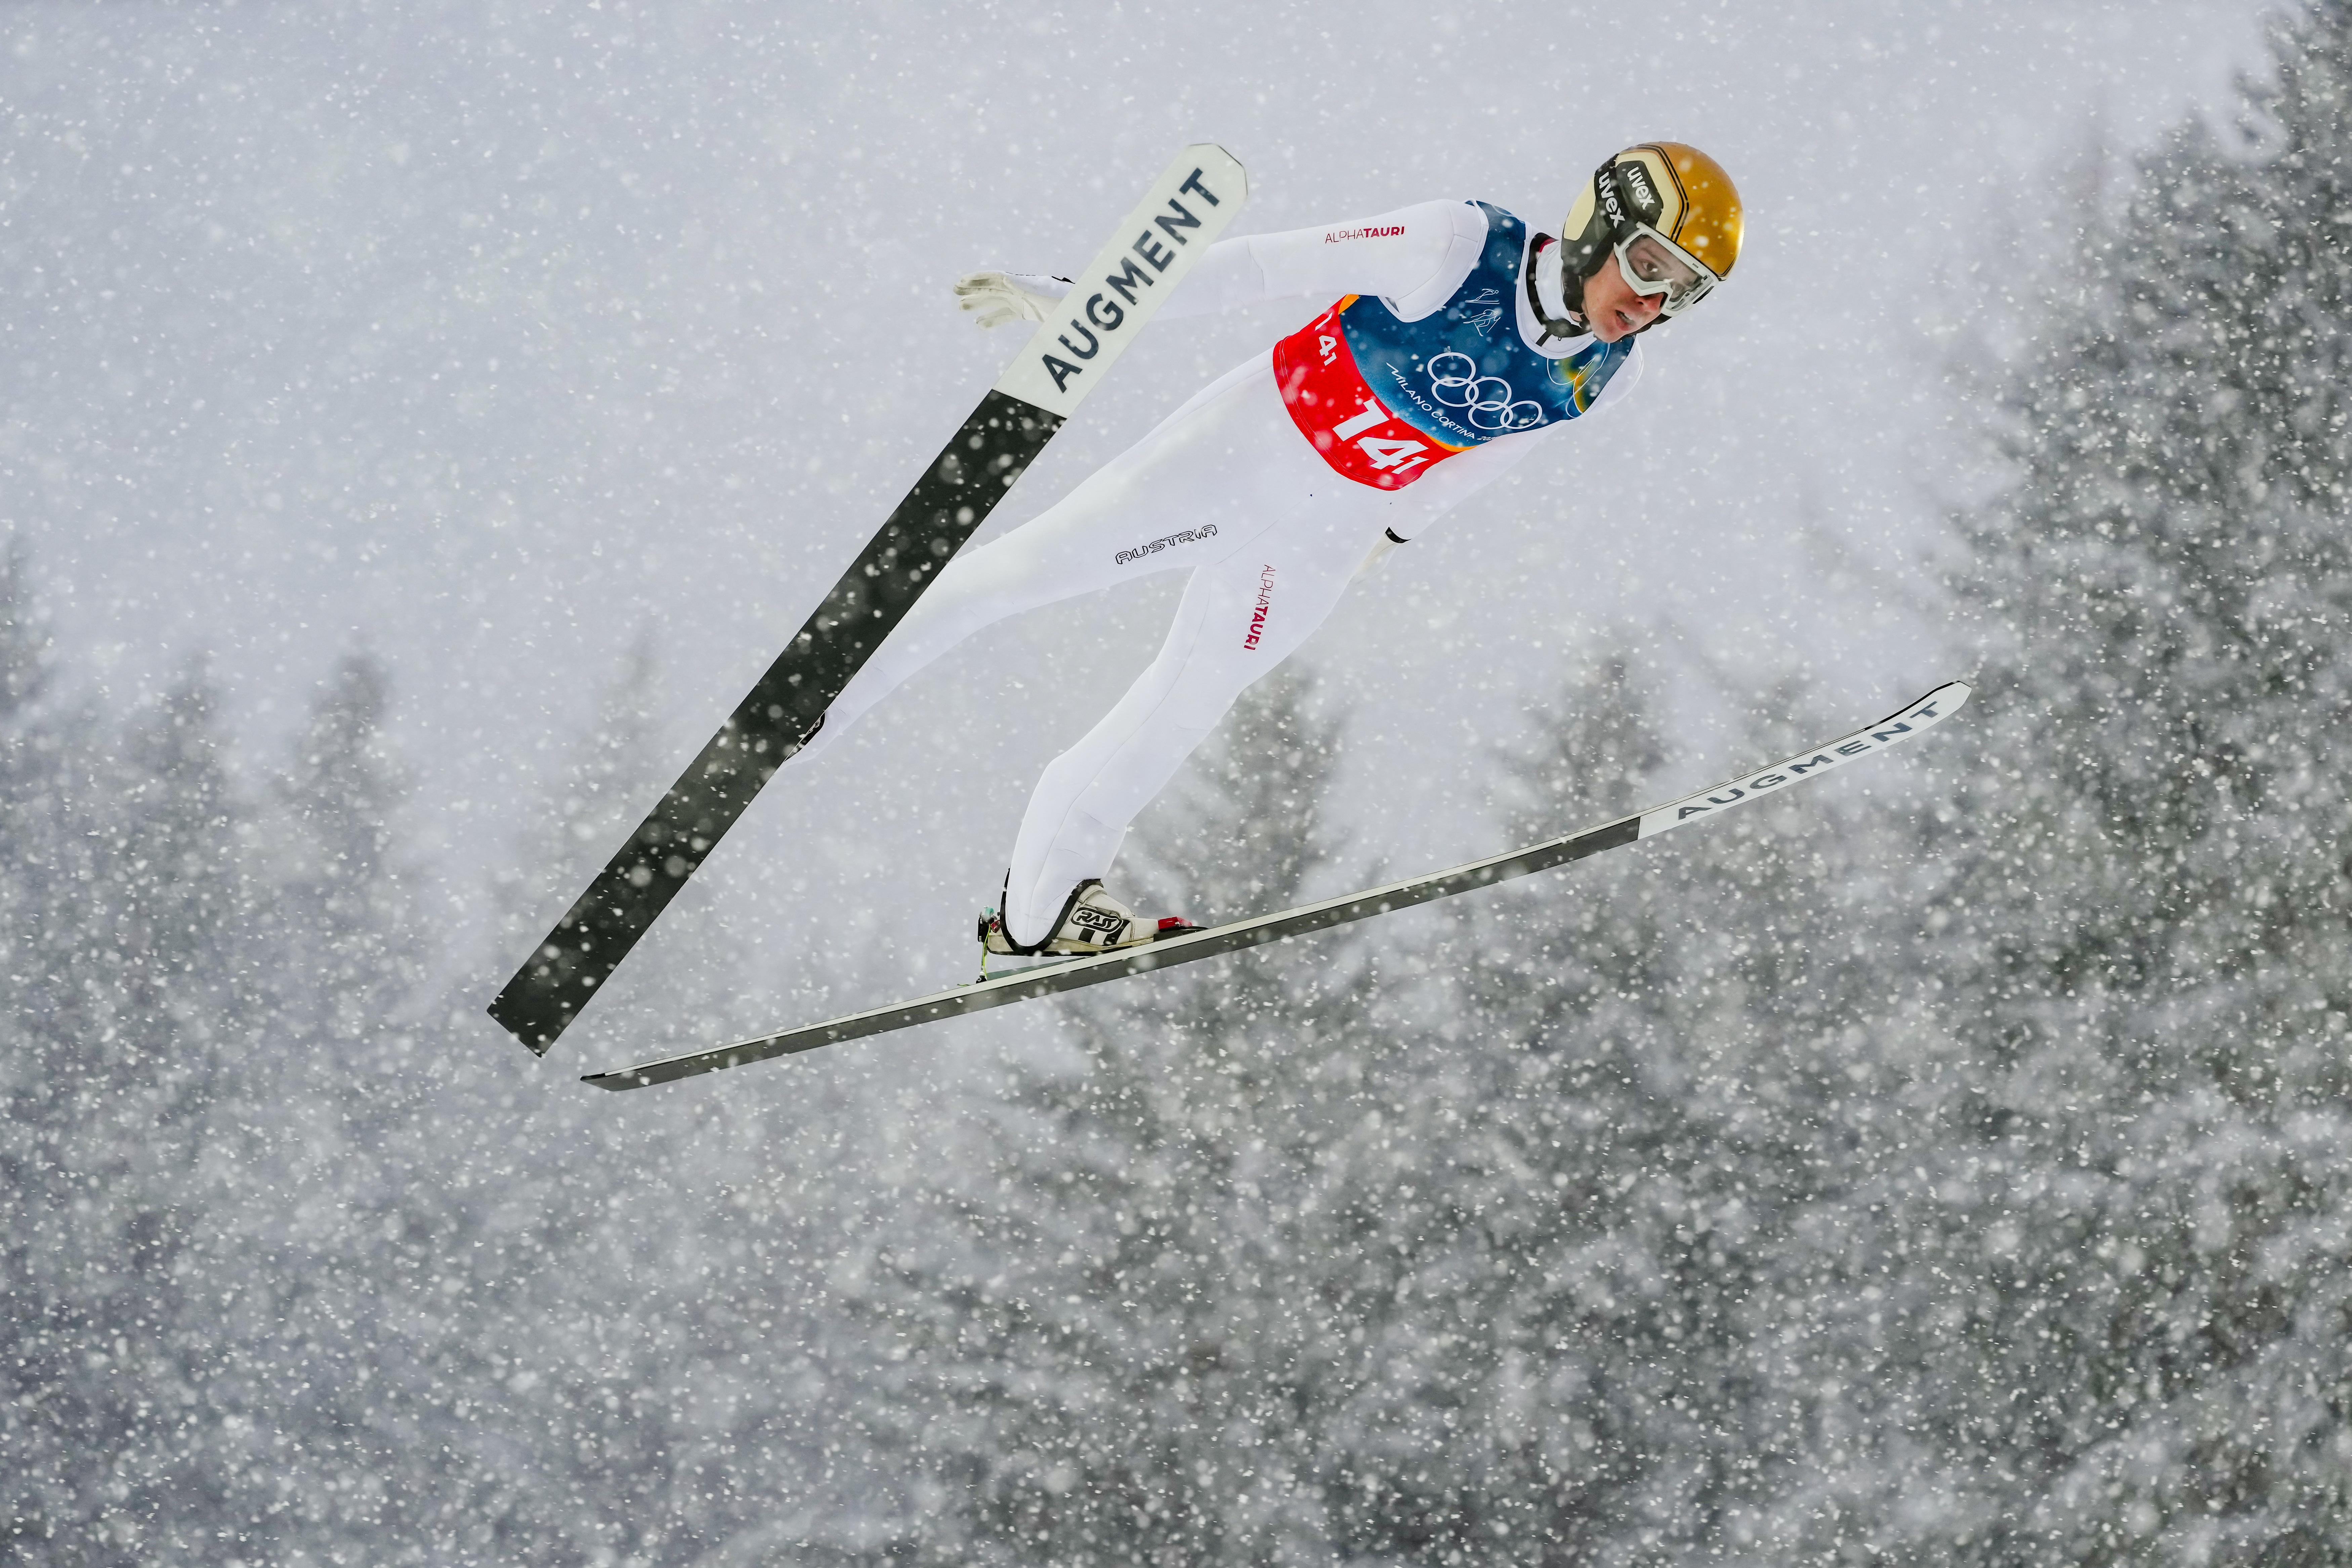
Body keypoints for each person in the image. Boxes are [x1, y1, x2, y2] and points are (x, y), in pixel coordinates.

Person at [790, 143, 1744, 959]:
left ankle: (1039, 913)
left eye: (1684, 293)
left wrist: (1393, 535)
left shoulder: (1607, 375)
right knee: (1027, 572)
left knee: (1185, 701)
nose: (1651, 302)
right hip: (1241, 452)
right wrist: (1092, 301)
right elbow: (1257, 269)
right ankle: (812, 698)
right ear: (1597, 225)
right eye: (1649, 264)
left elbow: (1487, 458)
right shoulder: (1462, 245)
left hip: (1324, 538)